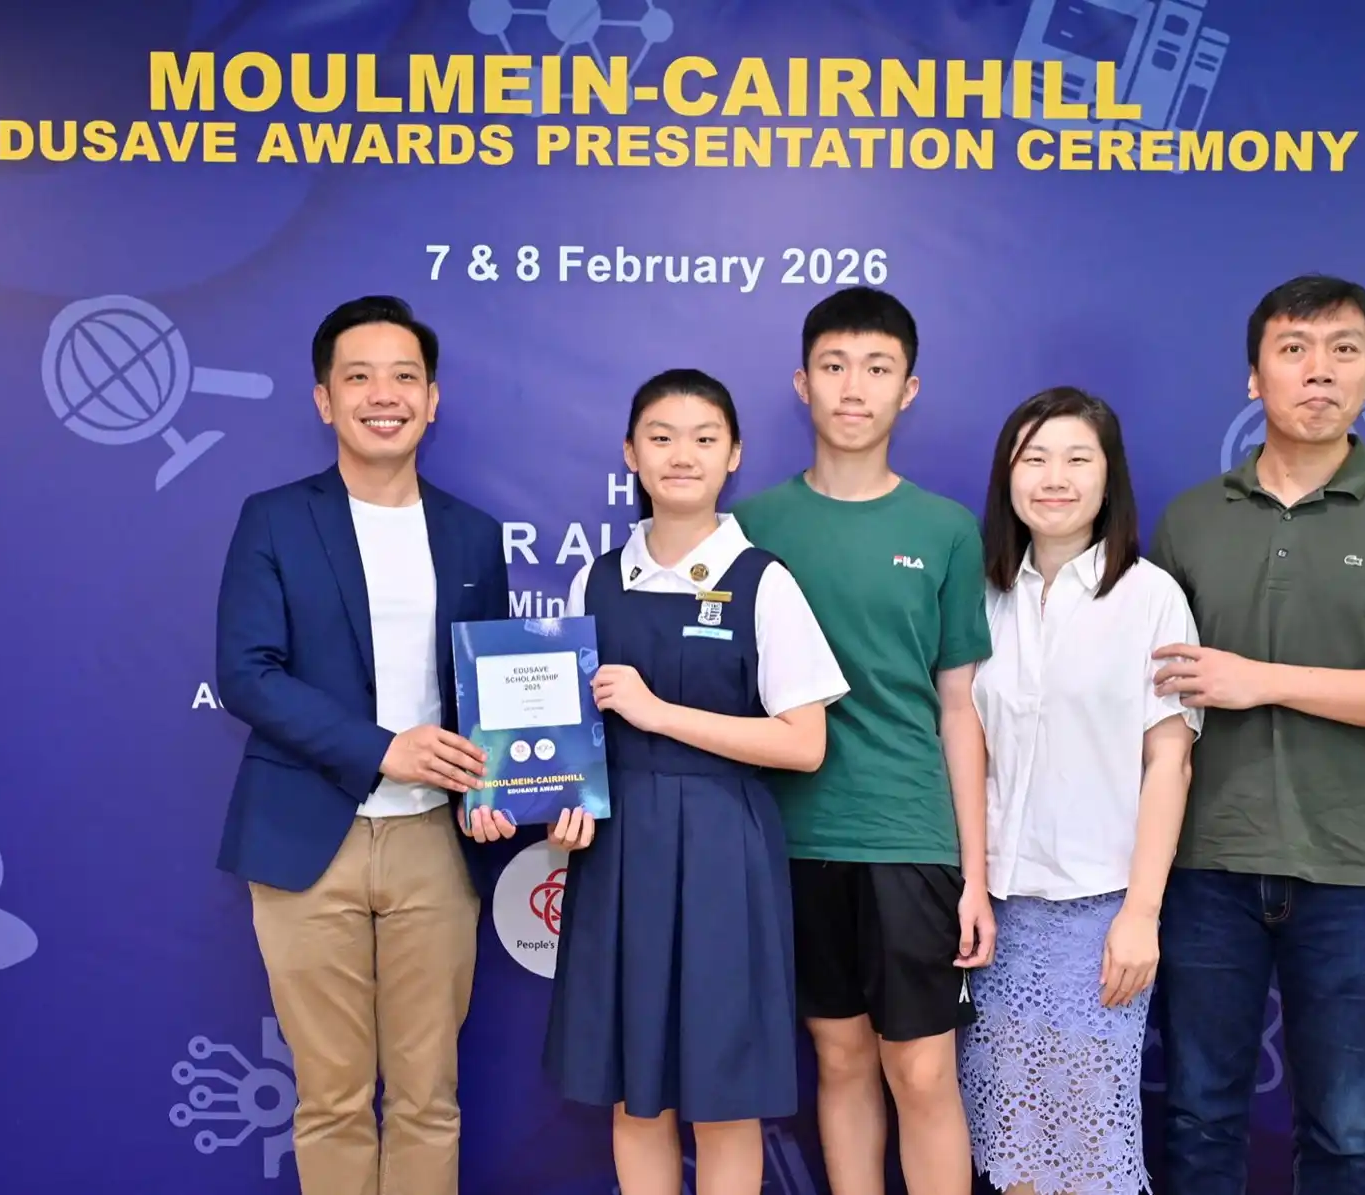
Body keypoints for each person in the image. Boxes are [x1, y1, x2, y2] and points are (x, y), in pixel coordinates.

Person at [1148, 274, 1365, 1195]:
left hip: (1355, 869)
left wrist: (1260, 680)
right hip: (1205, 866)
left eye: (1345, 350)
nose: (1320, 370)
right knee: (1197, 1116)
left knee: (1344, 1133)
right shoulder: (1191, 519)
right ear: (1253, 376)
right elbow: (1153, 704)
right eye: (1294, 349)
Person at [212, 295, 517, 1195]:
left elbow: (492, 690)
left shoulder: (473, 533)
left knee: (428, 1099)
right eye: (359, 377)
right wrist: (384, 749)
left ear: (432, 399)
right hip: (306, 837)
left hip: (435, 844)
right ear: (324, 399)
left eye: (404, 377)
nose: (383, 395)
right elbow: (247, 673)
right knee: (332, 1100)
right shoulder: (274, 518)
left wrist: (504, 779)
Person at [541, 368, 850, 1195]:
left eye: (705, 438)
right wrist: (566, 799)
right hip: (619, 851)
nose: (683, 455)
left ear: (734, 455)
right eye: (662, 437)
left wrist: (658, 711)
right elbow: (570, 737)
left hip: (723, 846)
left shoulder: (763, 580)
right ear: (630, 453)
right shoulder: (596, 579)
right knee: (635, 1090)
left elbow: (804, 743)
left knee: (723, 1095)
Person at [732, 286, 995, 1195]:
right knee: (839, 1057)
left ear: (908, 390)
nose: (854, 388)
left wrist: (975, 873)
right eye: (835, 366)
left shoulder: (945, 528)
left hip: (907, 838)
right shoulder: (750, 527)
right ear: (801, 382)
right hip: (789, 837)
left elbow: (959, 708)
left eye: (877, 369)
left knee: (920, 1069)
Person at [958, 387, 1199, 1195]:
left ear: (1109, 476)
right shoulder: (979, 594)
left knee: (1089, 1149)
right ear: (1007, 476)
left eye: (1076, 458)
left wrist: (1141, 912)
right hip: (995, 912)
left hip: (1101, 912)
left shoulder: (1151, 596)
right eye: (1033, 459)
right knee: (1012, 1145)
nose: (1053, 478)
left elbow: (1170, 762)